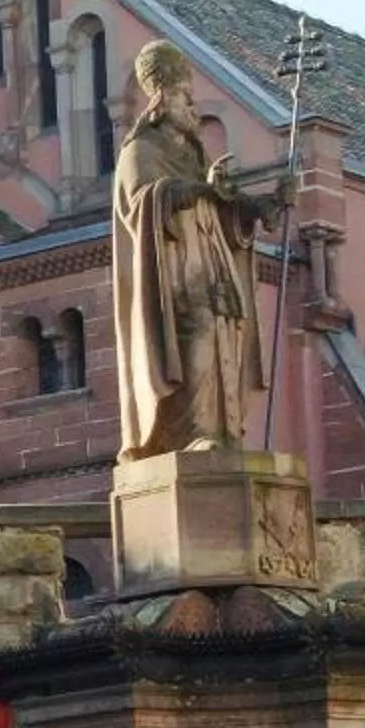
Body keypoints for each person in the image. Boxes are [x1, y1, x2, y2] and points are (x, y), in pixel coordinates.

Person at [110, 40, 269, 459]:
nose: (193, 108)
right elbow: (139, 203)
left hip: (213, 263)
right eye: (185, 97)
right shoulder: (139, 151)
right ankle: (191, 432)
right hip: (174, 270)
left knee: (223, 333)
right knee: (196, 330)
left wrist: (260, 207)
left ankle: (222, 430)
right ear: (162, 99)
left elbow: (220, 209)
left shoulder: (194, 156)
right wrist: (201, 189)